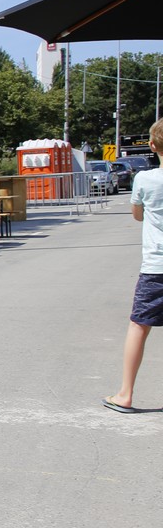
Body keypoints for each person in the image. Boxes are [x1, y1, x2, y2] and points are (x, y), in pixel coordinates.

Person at [105, 120, 163, 413]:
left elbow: (137, 215)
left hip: (156, 266)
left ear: (152, 146)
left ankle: (125, 394)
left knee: (139, 326)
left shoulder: (145, 179)